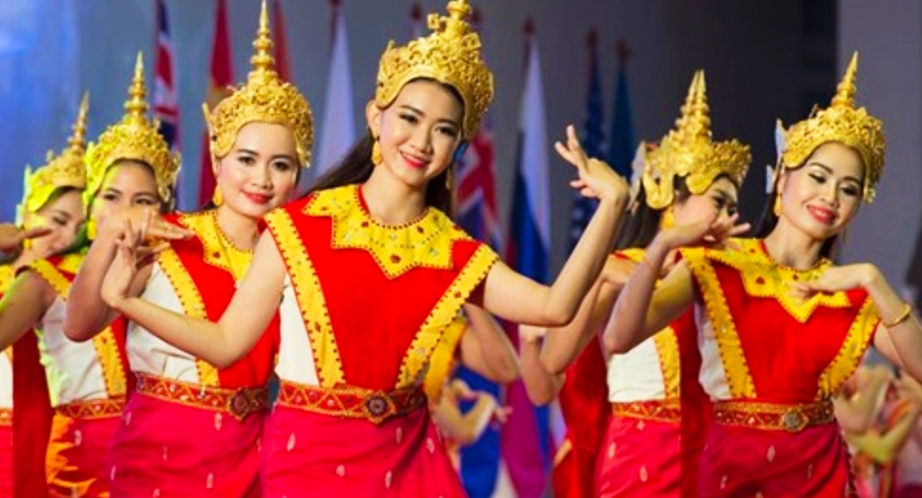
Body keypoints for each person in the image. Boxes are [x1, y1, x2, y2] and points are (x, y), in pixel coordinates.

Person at [98, 0, 629, 495]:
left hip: (410, 466)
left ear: (459, 147)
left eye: (444, 130)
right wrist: (125, 302)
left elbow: (555, 306)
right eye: (409, 118)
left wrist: (612, 204)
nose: (421, 142)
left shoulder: (452, 250)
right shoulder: (299, 224)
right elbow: (225, 343)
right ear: (377, 117)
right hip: (304, 467)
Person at [604, 53, 922, 497]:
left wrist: (873, 279)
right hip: (734, 472)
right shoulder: (718, 266)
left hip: (820, 476)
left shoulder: (852, 293)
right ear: (782, 182)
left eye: (848, 188)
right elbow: (619, 338)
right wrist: (660, 248)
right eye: (818, 176)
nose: (829, 195)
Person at [65, 5, 310, 495]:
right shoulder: (164, 235)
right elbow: (79, 326)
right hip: (157, 455)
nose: (262, 179)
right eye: (246, 160)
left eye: (280, 165)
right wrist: (110, 235)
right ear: (218, 161)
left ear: (298, 174)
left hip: (252, 457)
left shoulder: (293, 258)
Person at [520, 71, 751, 497]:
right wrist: (609, 274)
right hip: (641, 455)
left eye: (733, 207)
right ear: (666, 193)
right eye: (718, 202)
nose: (726, 218)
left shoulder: (729, 270)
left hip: (715, 454)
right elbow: (554, 362)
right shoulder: (615, 266)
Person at [0, 54, 180, 497]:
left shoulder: (174, 269)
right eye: (112, 197)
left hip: (162, 445)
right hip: (82, 455)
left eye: (143, 200)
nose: (125, 212)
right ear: (91, 209)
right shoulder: (44, 278)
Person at [0, 94, 89, 498]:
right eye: (57, 220)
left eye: (79, 226)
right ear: (25, 213)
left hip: (51, 442)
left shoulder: (79, 293)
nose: (67, 236)